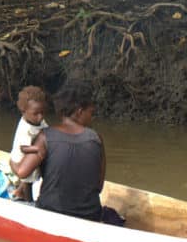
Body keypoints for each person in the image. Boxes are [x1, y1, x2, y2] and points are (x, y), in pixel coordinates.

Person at [13, 82, 118, 224]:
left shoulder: (44, 136)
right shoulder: (96, 139)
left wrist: (12, 159)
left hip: (50, 213)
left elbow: (21, 172)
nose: (92, 118)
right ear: (79, 111)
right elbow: (98, 187)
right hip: (90, 215)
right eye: (91, 113)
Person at [8, 85, 48, 202]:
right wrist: (37, 149)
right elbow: (23, 148)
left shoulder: (38, 120)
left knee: (33, 169)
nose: (40, 117)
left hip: (29, 154)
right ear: (24, 112)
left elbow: (47, 130)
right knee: (28, 181)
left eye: (42, 112)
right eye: (36, 114)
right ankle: (28, 201)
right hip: (20, 159)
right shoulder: (25, 128)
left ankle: (19, 191)